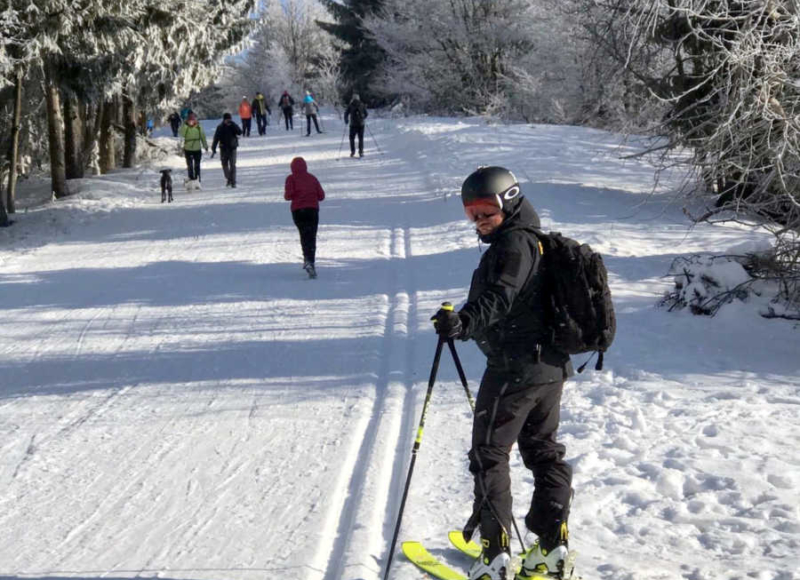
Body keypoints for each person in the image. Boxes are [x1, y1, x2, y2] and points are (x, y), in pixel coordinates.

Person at [430, 167, 574, 580]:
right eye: (471, 213)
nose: (479, 221)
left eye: (486, 211)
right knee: (544, 451)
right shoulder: (534, 241)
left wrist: (463, 323)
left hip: (516, 371)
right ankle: (552, 547)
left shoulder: (514, 245)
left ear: (509, 202)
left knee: (489, 455)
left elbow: (501, 296)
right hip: (549, 369)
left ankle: (494, 557)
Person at [284, 157, 325, 278]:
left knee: (304, 234)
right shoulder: (312, 178)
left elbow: (288, 196)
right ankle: (310, 261)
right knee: (311, 235)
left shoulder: (291, 178)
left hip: (298, 211)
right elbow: (321, 196)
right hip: (312, 210)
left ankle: (307, 258)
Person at [211, 113, 243, 188]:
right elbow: (216, 138)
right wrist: (213, 148)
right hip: (223, 148)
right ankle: (229, 178)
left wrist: (233, 125)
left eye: (230, 119)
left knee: (233, 165)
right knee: (224, 164)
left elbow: (240, 132)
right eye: (227, 119)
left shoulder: (233, 125)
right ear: (224, 120)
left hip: (232, 148)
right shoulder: (220, 127)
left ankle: (233, 181)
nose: (228, 121)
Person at [178, 112, 208, 182]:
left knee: (197, 165)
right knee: (190, 165)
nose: (191, 122)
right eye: (189, 120)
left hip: (197, 149)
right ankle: (191, 178)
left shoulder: (198, 127)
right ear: (187, 120)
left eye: (192, 120)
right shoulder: (185, 127)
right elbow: (181, 134)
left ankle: (197, 179)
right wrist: (185, 126)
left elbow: (202, 136)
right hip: (188, 149)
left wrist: (205, 145)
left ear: (195, 120)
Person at [343, 93, 368, 158]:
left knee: (351, 138)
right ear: (358, 98)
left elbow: (346, 113)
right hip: (361, 124)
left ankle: (353, 151)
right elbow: (366, 114)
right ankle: (361, 152)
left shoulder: (350, 105)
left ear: (353, 98)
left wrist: (346, 120)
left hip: (353, 125)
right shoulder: (362, 105)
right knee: (361, 138)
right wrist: (363, 117)